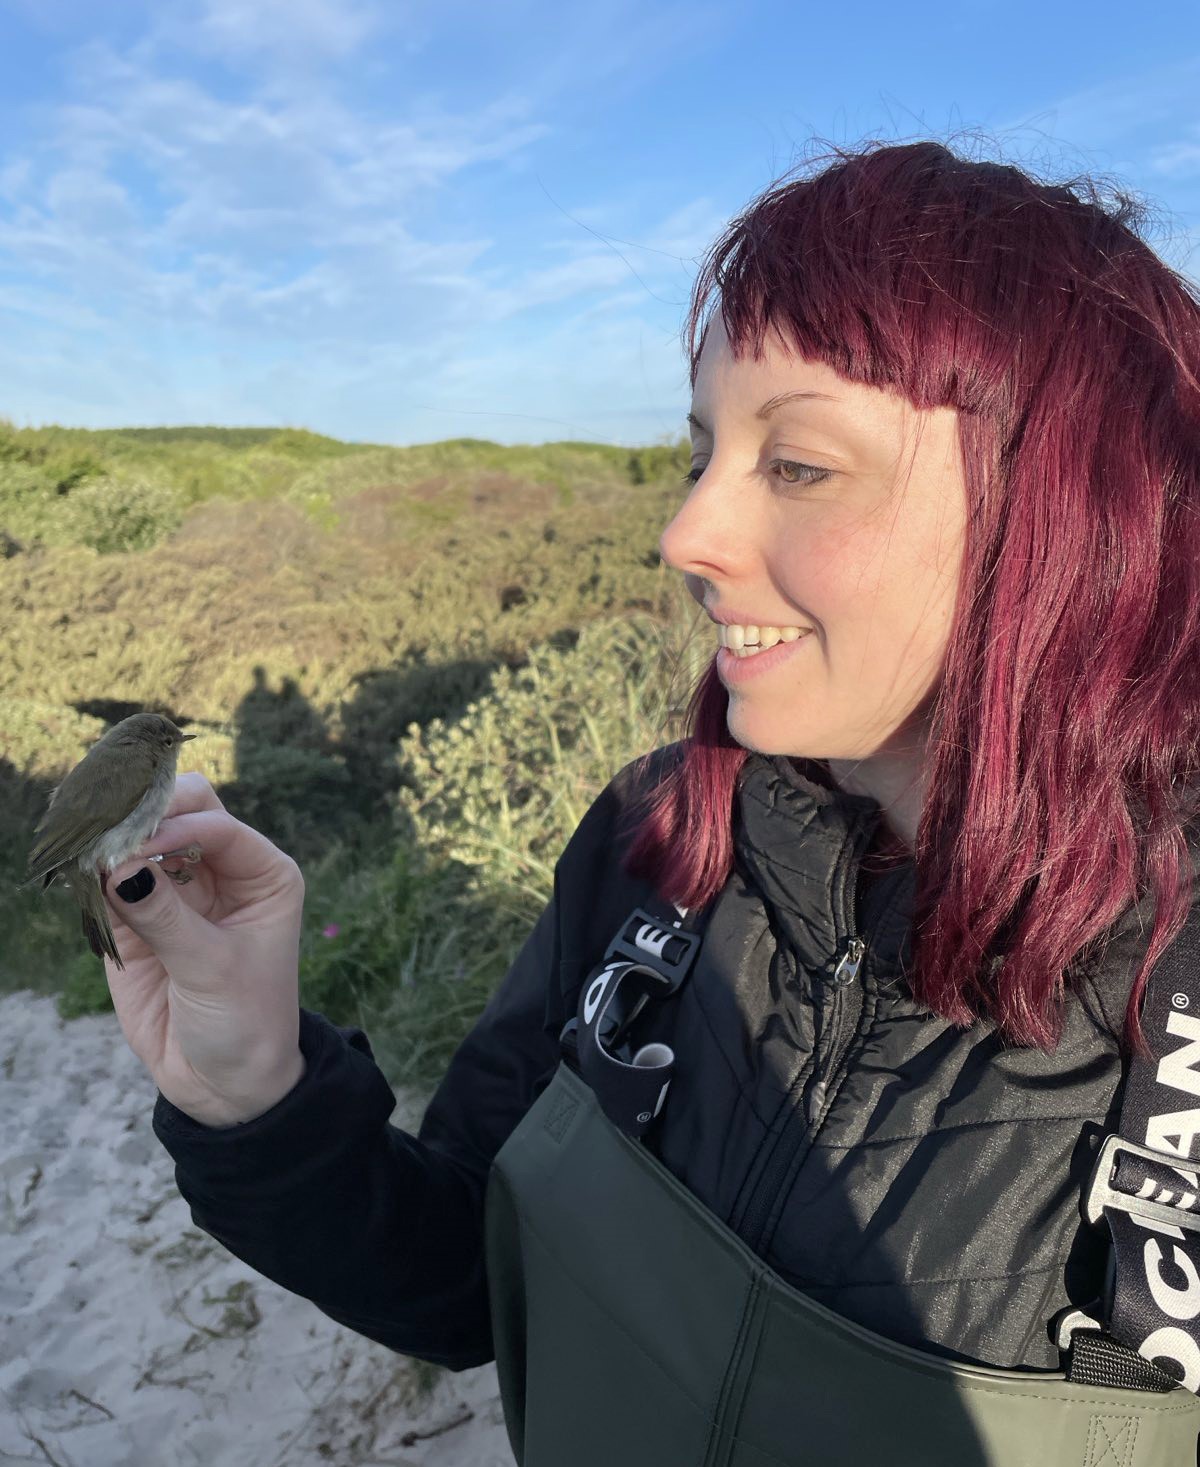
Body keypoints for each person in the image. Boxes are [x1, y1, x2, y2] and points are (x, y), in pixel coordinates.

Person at [101, 138, 1200, 1464]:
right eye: (702, 457)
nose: (685, 536)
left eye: (796, 466)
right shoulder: (657, 846)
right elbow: (464, 1279)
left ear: (1069, 515)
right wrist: (254, 1092)